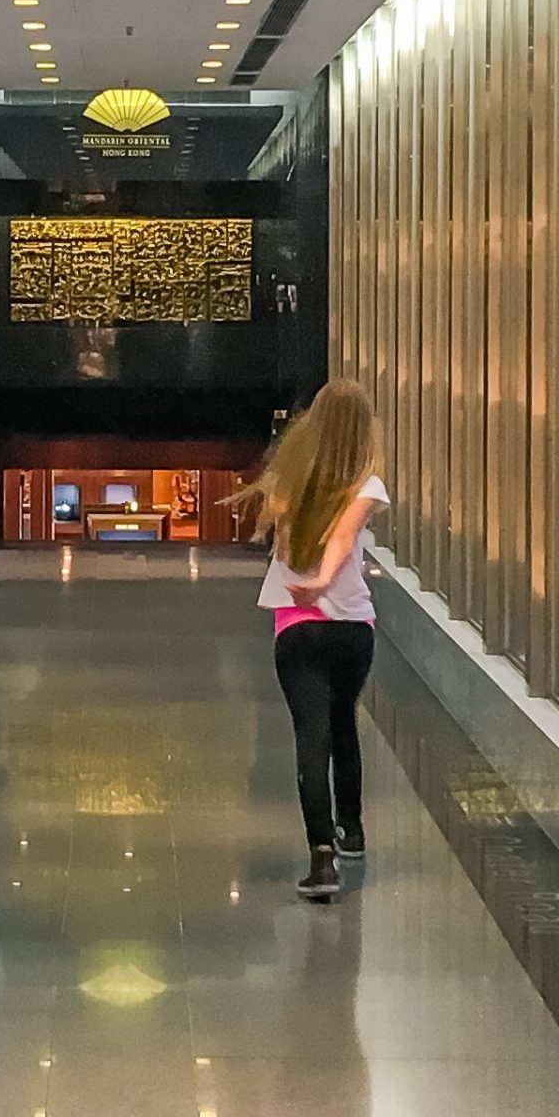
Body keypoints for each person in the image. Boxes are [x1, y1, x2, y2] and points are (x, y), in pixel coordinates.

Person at [229, 381, 389, 902]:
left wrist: (313, 585)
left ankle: (322, 861)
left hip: (298, 627)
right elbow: (345, 537)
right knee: (345, 722)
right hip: (353, 631)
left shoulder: (290, 479)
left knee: (310, 736)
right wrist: (328, 581)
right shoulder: (368, 487)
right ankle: (353, 831)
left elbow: (281, 521)